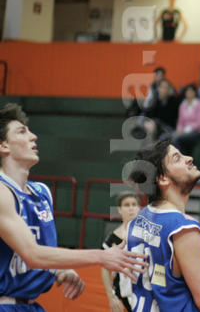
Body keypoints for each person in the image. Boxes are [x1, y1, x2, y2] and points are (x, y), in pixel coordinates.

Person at [0, 104, 146, 310]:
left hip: (30, 305)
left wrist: (58, 269)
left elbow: (44, 252)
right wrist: (101, 256)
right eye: (22, 132)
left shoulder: (42, 192)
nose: (33, 136)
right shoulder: (2, 192)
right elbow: (32, 255)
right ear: (3, 146)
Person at [125, 139, 200, 312]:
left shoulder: (137, 221)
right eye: (177, 158)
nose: (189, 158)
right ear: (162, 179)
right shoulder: (184, 230)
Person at [101, 192, 142, 312]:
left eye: (134, 204)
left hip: (145, 290)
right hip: (123, 293)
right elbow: (105, 269)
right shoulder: (113, 238)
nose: (131, 208)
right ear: (119, 209)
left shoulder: (148, 235)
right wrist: (111, 297)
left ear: (139, 208)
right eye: (126, 205)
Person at [173, 84, 200, 156]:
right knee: (170, 137)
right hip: (184, 133)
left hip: (197, 133)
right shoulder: (182, 105)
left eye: (191, 91)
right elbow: (180, 121)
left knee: (177, 139)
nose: (189, 93)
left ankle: (182, 160)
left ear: (195, 93)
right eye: (187, 91)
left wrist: (185, 130)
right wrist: (179, 130)